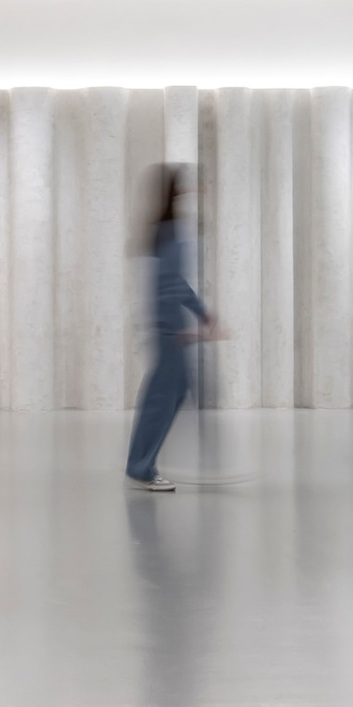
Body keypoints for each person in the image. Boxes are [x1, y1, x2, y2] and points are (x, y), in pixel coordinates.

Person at [126, 165, 214, 491]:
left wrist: (202, 314)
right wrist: (185, 323)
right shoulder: (171, 230)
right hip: (169, 327)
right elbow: (172, 283)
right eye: (185, 186)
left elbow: (173, 282)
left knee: (169, 394)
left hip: (166, 324)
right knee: (163, 399)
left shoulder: (164, 229)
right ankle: (141, 468)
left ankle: (140, 463)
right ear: (176, 191)